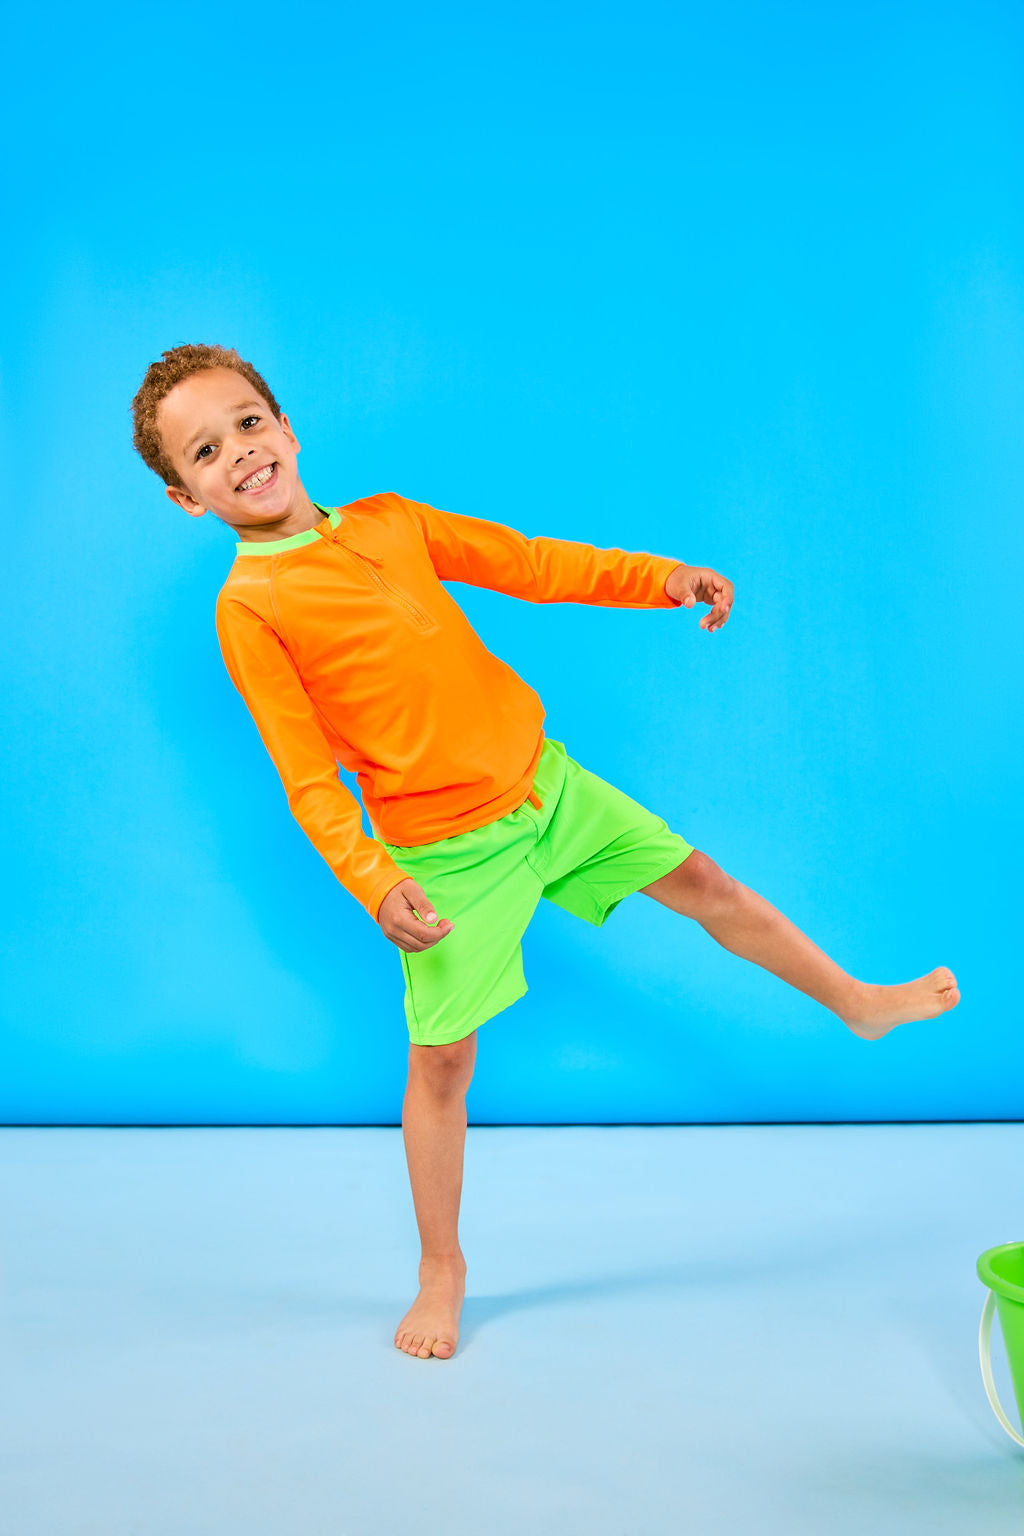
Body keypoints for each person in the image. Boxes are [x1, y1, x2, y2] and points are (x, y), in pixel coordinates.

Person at [131, 342, 961, 1363]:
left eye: (249, 421)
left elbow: (527, 561)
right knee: (441, 1061)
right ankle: (442, 1269)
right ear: (187, 498)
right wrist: (374, 880)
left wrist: (659, 579)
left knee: (706, 884)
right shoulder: (249, 608)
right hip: (441, 852)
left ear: (287, 425)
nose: (241, 453)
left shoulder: (393, 521)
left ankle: (856, 1001)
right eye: (206, 452)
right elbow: (305, 774)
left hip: (546, 788)